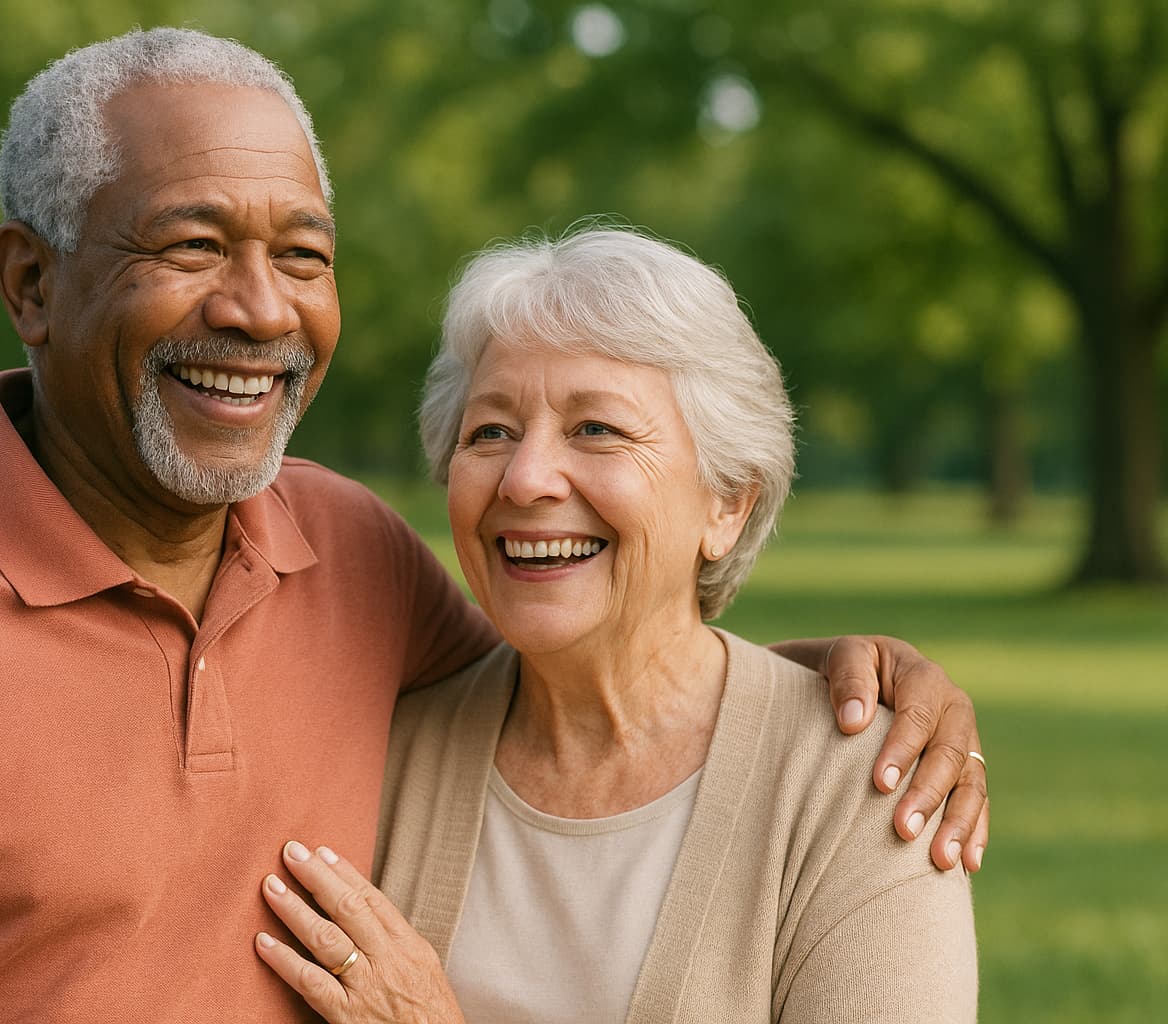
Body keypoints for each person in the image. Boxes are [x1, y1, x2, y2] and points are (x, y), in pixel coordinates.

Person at [0, 30, 985, 1023]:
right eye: (191, 244)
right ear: (32, 281)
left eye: (301, 254)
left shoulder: (351, 559)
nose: (257, 310)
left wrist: (845, 677)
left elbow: (597, 664)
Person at [254, 227, 979, 1023]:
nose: (526, 479)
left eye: (596, 429)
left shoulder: (861, 789)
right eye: (490, 431)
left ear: (727, 502)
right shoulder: (378, 753)